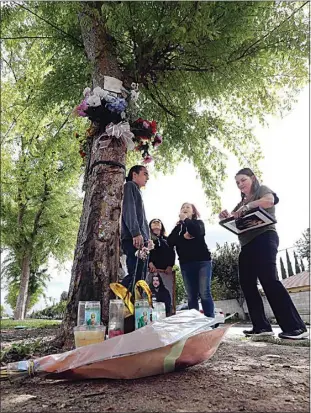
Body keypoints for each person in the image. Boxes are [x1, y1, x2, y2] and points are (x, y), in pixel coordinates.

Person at [219, 167, 308, 340]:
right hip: (247, 244)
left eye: (243, 180)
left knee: (269, 280)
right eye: (237, 183)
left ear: (253, 178)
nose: (240, 184)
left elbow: (269, 201)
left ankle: (296, 327)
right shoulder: (240, 203)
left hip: (265, 238)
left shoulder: (262, 190)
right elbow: (235, 218)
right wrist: (226, 217)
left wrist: (248, 205)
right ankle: (261, 327)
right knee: (246, 283)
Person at [167, 202, 214, 318]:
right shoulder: (179, 229)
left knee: (204, 292)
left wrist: (187, 220)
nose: (185, 209)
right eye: (182, 207)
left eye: (188, 207)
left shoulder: (198, 223)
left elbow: (196, 231)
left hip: (202, 262)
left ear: (193, 212)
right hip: (186, 264)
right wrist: (179, 225)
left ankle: (210, 320)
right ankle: (195, 322)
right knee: (191, 295)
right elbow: (170, 242)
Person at [121, 165, 150, 289]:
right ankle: (120, 296)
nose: (148, 177)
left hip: (140, 241)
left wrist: (147, 239)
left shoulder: (137, 191)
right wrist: (135, 233)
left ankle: (134, 305)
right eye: (145, 173)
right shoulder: (129, 186)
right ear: (134, 174)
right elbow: (129, 210)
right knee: (134, 275)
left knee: (140, 276)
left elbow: (142, 219)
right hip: (133, 239)